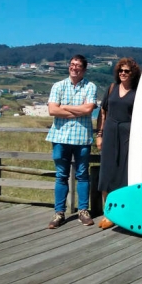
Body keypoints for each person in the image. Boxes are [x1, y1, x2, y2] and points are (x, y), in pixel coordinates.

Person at [46, 55, 97, 229]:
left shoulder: (91, 86)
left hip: (82, 137)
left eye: (78, 66)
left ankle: (83, 210)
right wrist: (77, 110)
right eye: (72, 64)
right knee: (61, 176)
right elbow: (52, 110)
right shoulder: (58, 85)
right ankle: (59, 212)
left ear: (84, 69)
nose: (74, 68)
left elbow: (89, 109)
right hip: (60, 137)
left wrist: (64, 107)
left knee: (82, 175)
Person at [96, 58, 141, 230]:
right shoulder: (112, 88)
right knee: (106, 173)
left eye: (127, 71)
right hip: (109, 134)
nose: (123, 73)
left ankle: (123, 212)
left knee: (124, 173)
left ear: (133, 73)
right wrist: (99, 135)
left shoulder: (138, 91)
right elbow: (103, 112)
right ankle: (108, 212)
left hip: (128, 136)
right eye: (121, 70)